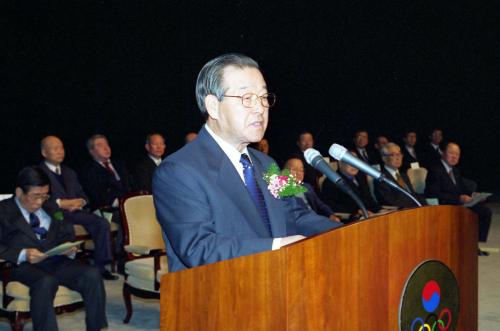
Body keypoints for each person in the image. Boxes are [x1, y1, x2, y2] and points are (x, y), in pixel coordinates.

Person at [153, 53, 342, 272]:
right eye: (247, 98)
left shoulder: (267, 163)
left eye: (263, 97)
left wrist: (344, 233)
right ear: (213, 106)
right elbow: (199, 248)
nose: (260, 108)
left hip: (275, 284)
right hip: (217, 295)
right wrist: (275, 247)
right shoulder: (177, 171)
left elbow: (296, 214)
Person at [0, 166, 107, 331]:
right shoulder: (4, 211)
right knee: (45, 281)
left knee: (92, 274)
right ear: (19, 192)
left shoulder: (51, 206)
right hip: (20, 265)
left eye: (44, 196)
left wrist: (67, 248)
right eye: (35, 196)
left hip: (54, 259)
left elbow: (66, 232)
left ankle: (96, 328)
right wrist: (22, 254)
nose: (40, 202)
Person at [39, 136, 117, 280]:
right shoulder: (38, 173)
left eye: (61, 148)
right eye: (55, 148)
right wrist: (61, 204)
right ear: (44, 152)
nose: (60, 152)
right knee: (63, 224)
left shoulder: (70, 172)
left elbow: (84, 195)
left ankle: (101, 266)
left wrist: (80, 201)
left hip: (75, 211)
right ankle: (66, 266)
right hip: (54, 213)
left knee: (101, 223)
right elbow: (37, 199)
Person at [425, 142, 491, 256]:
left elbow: (460, 188)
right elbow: (433, 193)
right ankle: (469, 246)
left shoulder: (455, 171)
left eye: (457, 154)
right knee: (474, 212)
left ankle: (473, 244)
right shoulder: (435, 170)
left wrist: (473, 195)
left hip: (457, 202)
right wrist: (458, 198)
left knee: (485, 211)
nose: (454, 156)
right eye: (451, 153)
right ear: (443, 153)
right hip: (444, 204)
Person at [322, 151, 381, 220]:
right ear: (340, 163)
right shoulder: (331, 181)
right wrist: (357, 211)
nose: (354, 165)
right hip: (351, 218)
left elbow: (368, 198)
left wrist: (379, 210)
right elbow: (332, 206)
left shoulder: (361, 176)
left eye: (356, 162)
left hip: (370, 215)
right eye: (349, 162)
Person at [80, 134, 132, 210]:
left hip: (130, 202)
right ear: (92, 151)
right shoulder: (89, 171)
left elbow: (131, 184)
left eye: (107, 144)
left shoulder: (120, 164)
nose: (106, 148)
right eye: (100, 145)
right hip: (110, 208)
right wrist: (118, 202)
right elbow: (95, 194)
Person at [283, 158, 340, 222]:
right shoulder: (282, 191)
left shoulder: (307, 187)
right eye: (294, 169)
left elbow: (320, 205)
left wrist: (330, 215)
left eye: (301, 170)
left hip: (316, 220)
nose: (298, 173)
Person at [374, 143, 426, 208]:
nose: (398, 158)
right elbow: (389, 201)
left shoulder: (402, 175)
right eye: (393, 155)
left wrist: (425, 204)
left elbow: (411, 193)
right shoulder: (381, 177)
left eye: (399, 154)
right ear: (384, 158)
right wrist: (413, 205)